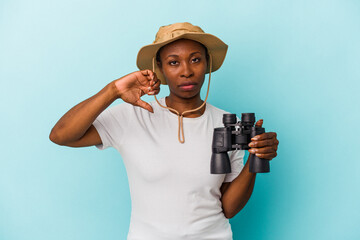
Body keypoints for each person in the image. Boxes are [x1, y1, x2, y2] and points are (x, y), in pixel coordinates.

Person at [50, 22, 279, 240]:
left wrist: (255, 158)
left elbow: (228, 208)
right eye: (173, 62)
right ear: (158, 68)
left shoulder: (227, 123)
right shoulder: (134, 116)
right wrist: (113, 90)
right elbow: (61, 135)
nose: (186, 71)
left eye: (195, 60)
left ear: (207, 64)